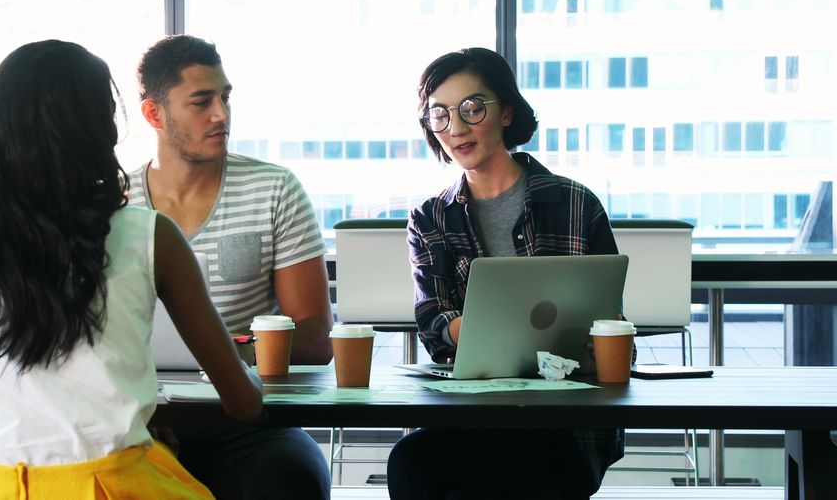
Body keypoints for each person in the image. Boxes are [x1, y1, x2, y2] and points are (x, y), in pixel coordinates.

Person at [0, 39, 263, 499]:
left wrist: (2, 381)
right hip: (116, 485)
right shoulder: (151, 235)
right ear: (101, 129)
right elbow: (244, 405)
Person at [386, 48, 624, 499]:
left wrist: (594, 347)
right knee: (410, 461)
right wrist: (484, 332)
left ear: (507, 112)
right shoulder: (430, 218)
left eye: (471, 108)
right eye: (440, 115)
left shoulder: (576, 204)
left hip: (561, 421)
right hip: (469, 414)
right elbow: (434, 326)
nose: (455, 128)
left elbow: (610, 327)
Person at [127, 34, 333, 499]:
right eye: (201, 102)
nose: (221, 114)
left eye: (225, 98)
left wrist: (227, 355)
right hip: (138, 418)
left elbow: (316, 336)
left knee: (293, 476)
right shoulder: (117, 201)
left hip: (243, 419)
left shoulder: (274, 188)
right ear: (154, 114)